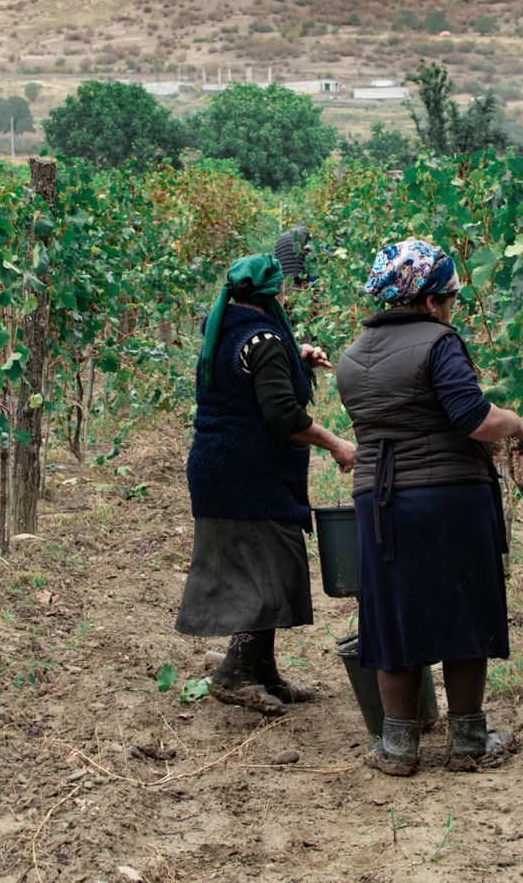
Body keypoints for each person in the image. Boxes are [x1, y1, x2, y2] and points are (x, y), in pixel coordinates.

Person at [336, 238, 523, 776]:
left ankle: (398, 746)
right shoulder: (439, 342)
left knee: (393, 614)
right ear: (426, 300)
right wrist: (513, 421)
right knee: (463, 606)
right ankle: (468, 738)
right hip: (448, 497)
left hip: (379, 505)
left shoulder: (351, 357)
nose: (451, 307)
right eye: (448, 296)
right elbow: (471, 417)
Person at [177, 253, 356, 718]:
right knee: (270, 575)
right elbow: (284, 417)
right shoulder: (265, 339)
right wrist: (336, 444)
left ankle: (264, 672)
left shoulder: (225, 328)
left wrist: (296, 358)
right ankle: (235, 672)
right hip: (249, 475)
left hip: (220, 469)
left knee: (262, 570)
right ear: (275, 292)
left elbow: (248, 367)